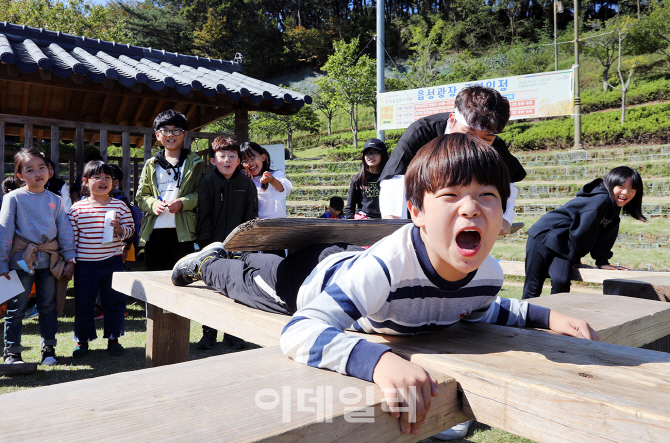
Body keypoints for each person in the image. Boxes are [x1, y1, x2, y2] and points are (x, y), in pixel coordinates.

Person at [171, 134, 599, 437]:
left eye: (487, 196)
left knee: (264, 265)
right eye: (450, 196)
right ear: (416, 210)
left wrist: (547, 315)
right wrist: (379, 362)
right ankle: (210, 261)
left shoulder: (488, 274)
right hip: (310, 281)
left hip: (350, 263)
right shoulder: (389, 267)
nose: (471, 208)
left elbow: (485, 309)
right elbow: (300, 331)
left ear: (502, 216)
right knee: (247, 278)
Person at [378, 85, 525, 236]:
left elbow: (508, 181)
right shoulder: (421, 132)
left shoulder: (495, 145)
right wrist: (394, 221)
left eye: (486, 139)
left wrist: (505, 217)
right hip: (420, 208)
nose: (475, 143)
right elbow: (396, 176)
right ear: (452, 119)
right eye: (469, 134)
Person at [522, 166, 646, 299]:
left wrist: (602, 261)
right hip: (543, 236)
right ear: (610, 183)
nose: (626, 192)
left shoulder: (613, 212)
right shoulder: (600, 200)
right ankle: (523, 319)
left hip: (564, 244)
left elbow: (605, 238)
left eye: (632, 188)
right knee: (533, 287)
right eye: (621, 186)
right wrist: (576, 259)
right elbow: (583, 231)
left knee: (561, 282)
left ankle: (557, 318)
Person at [0, 149, 76, 365]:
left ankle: (49, 350)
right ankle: (12, 353)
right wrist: (2, 262)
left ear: (49, 171)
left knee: (48, 306)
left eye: (41, 167)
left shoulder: (56, 199)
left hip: (50, 261)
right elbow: (4, 231)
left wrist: (70, 257)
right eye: (30, 169)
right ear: (20, 175)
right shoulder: (13, 198)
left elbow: (64, 229)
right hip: (20, 262)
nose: (37, 173)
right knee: (17, 307)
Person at [196, 136, 258, 349]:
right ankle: (208, 333)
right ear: (213, 160)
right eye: (222, 156)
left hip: (239, 245)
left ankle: (233, 333)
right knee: (211, 288)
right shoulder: (206, 182)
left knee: (236, 287)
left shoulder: (246, 184)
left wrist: (246, 243)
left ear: (239, 160)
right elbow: (202, 214)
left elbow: (251, 216)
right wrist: (205, 243)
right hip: (212, 244)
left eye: (232, 156)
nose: (227, 160)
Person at [67, 161, 135, 357]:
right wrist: (70, 261)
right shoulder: (77, 209)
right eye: (97, 177)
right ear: (86, 182)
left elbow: (130, 230)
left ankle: (113, 339)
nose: (103, 181)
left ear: (114, 182)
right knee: (84, 303)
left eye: (108, 178)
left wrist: (121, 230)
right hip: (85, 265)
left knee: (114, 301)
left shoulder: (120, 205)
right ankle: (82, 341)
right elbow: (71, 239)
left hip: (112, 262)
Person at [136, 109, 205, 271]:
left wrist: (182, 203)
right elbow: (141, 196)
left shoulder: (195, 163)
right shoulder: (151, 164)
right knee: (156, 278)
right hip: (155, 232)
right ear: (158, 135)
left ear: (184, 134)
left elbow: (201, 193)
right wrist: (153, 205)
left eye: (175, 130)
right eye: (165, 130)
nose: (170, 134)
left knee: (183, 278)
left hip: (184, 232)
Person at [240, 141, 292, 219]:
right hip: (253, 227)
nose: (249, 163)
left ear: (263, 157)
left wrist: (271, 180)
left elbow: (285, 189)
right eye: (245, 161)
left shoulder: (276, 174)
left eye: (252, 158)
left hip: (275, 225)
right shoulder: (243, 178)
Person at [345, 138, 388, 219]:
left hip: (385, 221)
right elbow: (350, 208)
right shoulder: (357, 179)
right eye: (368, 153)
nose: (371, 156)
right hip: (364, 221)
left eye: (375, 153)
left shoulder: (389, 179)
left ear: (382, 155)